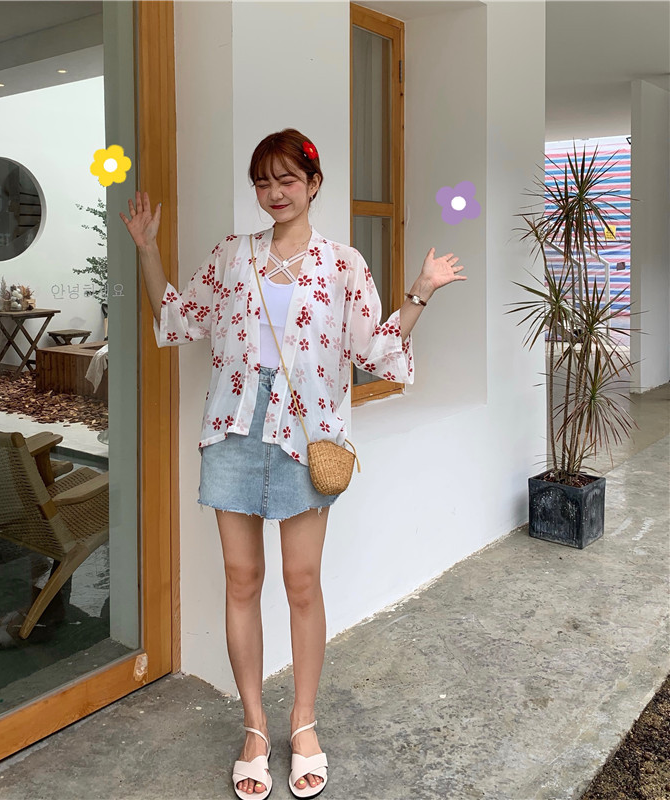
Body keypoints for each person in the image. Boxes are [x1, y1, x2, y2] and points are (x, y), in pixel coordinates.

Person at [121, 128, 466, 799]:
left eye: (286, 180)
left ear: (313, 184)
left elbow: (374, 349)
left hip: (305, 440)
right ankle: (255, 727)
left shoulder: (343, 265)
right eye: (263, 182)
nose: (274, 193)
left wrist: (421, 290)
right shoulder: (232, 255)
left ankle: (302, 721)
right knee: (241, 580)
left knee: (302, 584)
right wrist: (147, 249)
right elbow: (180, 318)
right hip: (232, 431)